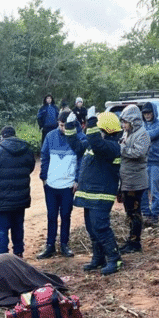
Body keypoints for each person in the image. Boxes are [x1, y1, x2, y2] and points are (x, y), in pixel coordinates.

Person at [67, 110, 124, 275]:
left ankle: (114, 259)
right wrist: (70, 126)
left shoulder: (111, 146)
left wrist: (91, 121)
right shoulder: (96, 144)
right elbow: (77, 146)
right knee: (92, 228)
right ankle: (98, 258)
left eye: (99, 128)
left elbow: (96, 143)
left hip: (101, 195)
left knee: (101, 227)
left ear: (106, 130)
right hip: (89, 194)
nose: (96, 132)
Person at [36, 110, 87, 259]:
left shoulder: (80, 138)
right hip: (51, 184)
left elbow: (82, 161)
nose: (61, 128)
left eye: (64, 125)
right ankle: (50, 245)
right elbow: (44, 156)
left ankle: (64, 244)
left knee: (66, 215)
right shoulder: (50, 136)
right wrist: (44, 177)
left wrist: (77, 180)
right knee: (51, 215)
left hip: (68, 184)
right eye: (60, 125)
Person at [0, 126, 36, 257]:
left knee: (1, 230)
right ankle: (18, 255)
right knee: (18, 227)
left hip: (1, 199)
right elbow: (31, 167)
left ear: (2, 137)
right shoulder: (26, 149)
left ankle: (3, 258)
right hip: (20, 198)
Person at [118, 105, 150, 253]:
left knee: (135, 212)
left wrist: (122, 149)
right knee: (129, 212)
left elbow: (138, 152)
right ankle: (131, 240)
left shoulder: (142, 134)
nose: (123, 125)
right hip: (127, 179)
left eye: (125, 122)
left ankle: (135, 242)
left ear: (133, 121)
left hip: (136, 181)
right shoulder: (127, 133)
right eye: (122, 122)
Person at [139, 102, 159, 225]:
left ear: (154, 112)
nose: (147, 115)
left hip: (155, 162)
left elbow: (151, 135)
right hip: (142, 163)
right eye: (145, 113)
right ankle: (146, 214)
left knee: (155, 190)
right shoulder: (141, 125)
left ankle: (155, 215)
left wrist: (140, 135)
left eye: (149, 112)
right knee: (143, 190)